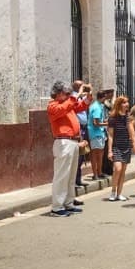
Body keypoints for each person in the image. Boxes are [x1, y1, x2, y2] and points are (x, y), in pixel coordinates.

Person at [47, 80, 92, 217]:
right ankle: (57, 206)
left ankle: (68, 202)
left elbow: (81, 106)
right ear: (58, 93)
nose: (68, 95)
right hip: (63, 142)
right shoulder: (53, 105)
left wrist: (88, 95)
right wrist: (75, 95)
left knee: (71, 175)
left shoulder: (68, 104)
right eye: (66, 93)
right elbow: (65, 108)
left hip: (72, 142)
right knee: (62, 175)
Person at [107, 95, 135, 201]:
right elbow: (110, 135)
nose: (127, 104)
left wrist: (134, 144)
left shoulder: (128, 118)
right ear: (119, 104)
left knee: (123, 171)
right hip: (116, 146)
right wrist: (109, 151)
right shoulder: (113, 118)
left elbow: (132, 133)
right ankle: (113, 192)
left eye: (127, 102)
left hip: (126, 146)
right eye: (124, 102)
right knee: (118, 169)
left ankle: (119, 193)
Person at [87, 90, 108, 180]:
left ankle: (99, 172)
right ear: (103, 97)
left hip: (100, 133)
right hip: (96, 133)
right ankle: (95, 173)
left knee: (100, 154)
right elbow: (96, 122)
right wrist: (107, 124)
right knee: (95, 154)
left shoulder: (99, 106)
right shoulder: (96, 107)